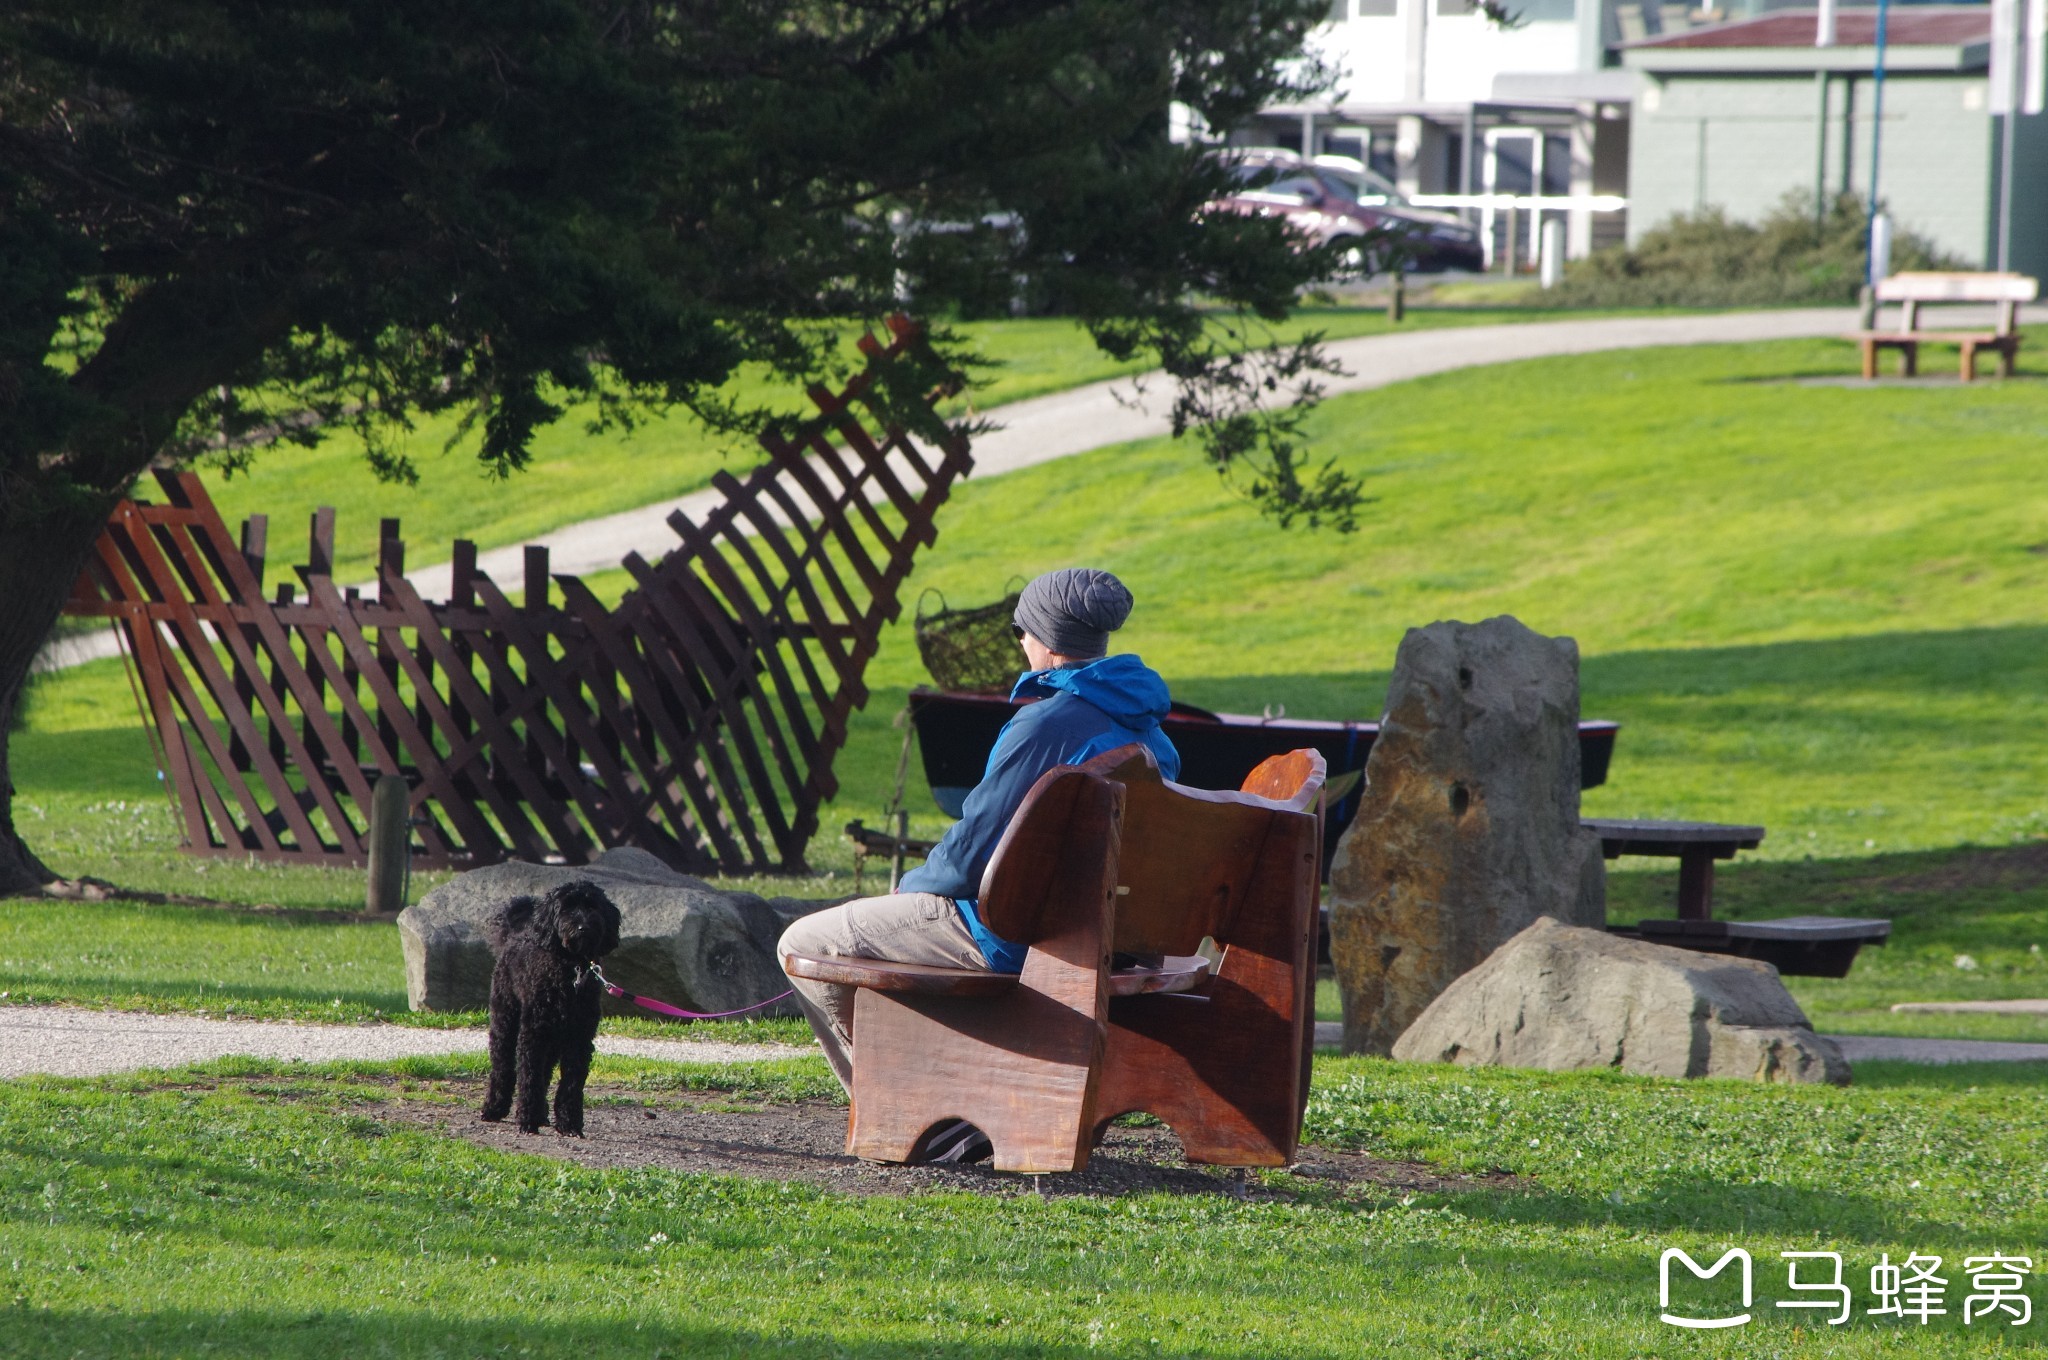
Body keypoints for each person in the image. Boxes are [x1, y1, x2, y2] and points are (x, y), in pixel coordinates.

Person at [777, 567, 1179, 1162]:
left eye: (1021, 628)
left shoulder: (1046, 723)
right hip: (1101, 936)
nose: (1021, 641)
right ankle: (951, 1105)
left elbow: (967, 860)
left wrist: (904, 897)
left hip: (1015, 937)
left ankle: (918, 1115)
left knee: (807, 943)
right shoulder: (1151, 733)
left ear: (1041, 637)